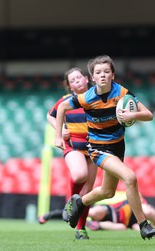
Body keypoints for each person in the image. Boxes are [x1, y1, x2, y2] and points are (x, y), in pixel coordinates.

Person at [54, 55, 155, 240]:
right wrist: (58, 135)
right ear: (92, 78)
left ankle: (78, 201)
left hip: (118, 148)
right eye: (98, 72)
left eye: (106, 71)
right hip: (98, 149)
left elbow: (148, 115)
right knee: (130, 177)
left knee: (107, 192)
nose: (102, 75)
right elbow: (62, 107)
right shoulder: (87, 98)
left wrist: (132, 114)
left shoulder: (122, 94)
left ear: (113, 75)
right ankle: (144, 225)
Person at [43, 67, 98, 240]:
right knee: (80, 175)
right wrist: (60, 130)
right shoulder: (66, 100)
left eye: (78, 78)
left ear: (87, 79)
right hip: (73, 144)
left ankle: (81, 228)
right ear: (69, 86)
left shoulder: (98, 98)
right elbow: (50, 115)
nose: (76, 82)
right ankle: (70, 201)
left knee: (88, 193)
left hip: (95, 147)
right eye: (72, 81)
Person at [86, 196, 155, 232]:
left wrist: (150, 228)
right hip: (111, 210)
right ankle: (78, 211)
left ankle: (94, 224)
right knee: (93, 212)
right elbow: (149, 212)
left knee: (122, 228)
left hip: (115, 222)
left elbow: (137, 228)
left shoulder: (138, 222)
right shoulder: (140, 203)